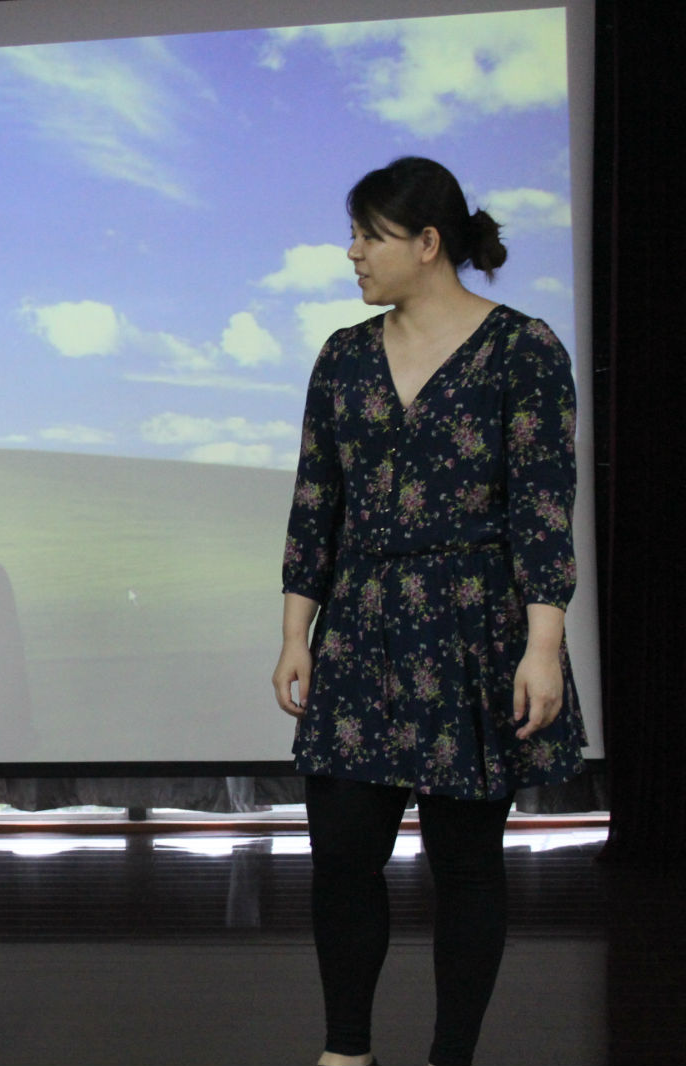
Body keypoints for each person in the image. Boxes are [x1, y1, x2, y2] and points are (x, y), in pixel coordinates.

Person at [271, 156, 587, 1066]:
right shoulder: (343, 356)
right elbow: (315, 501)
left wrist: (542, 648)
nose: (353, 253)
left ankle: (453, 1055)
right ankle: (347, 1049)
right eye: (354, 235)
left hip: (473, 630)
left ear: (427, 243)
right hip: (359, 629)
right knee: (341, 856)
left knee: (466, 865)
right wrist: (295, 633)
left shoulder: (523, 349)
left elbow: (543, 508)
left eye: (369, 236)